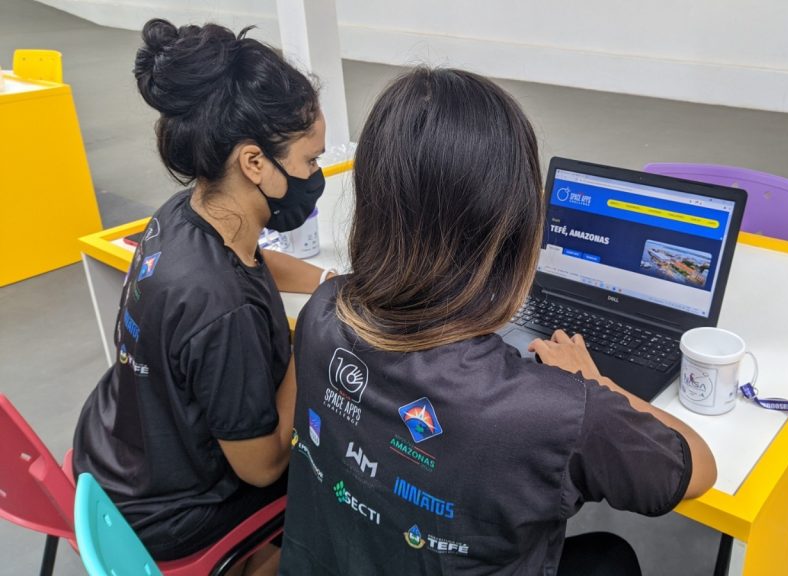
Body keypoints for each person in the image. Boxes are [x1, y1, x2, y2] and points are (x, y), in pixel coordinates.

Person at [278, 67, 716, 575]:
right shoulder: (558, 410)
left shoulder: (324, 308)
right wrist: (592, 383)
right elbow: (697, 466)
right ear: (514, 228)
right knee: (611, 559)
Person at [72, 19, 333, 574]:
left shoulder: (184, 215)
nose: (317, 174)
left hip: (112, 458)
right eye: (311, 160)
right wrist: (313, 334)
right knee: (342, 474)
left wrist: (327, 283)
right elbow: (262, 467)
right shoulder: (223, 310)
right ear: (254, 162)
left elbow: (250, 260)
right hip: (171, 515)